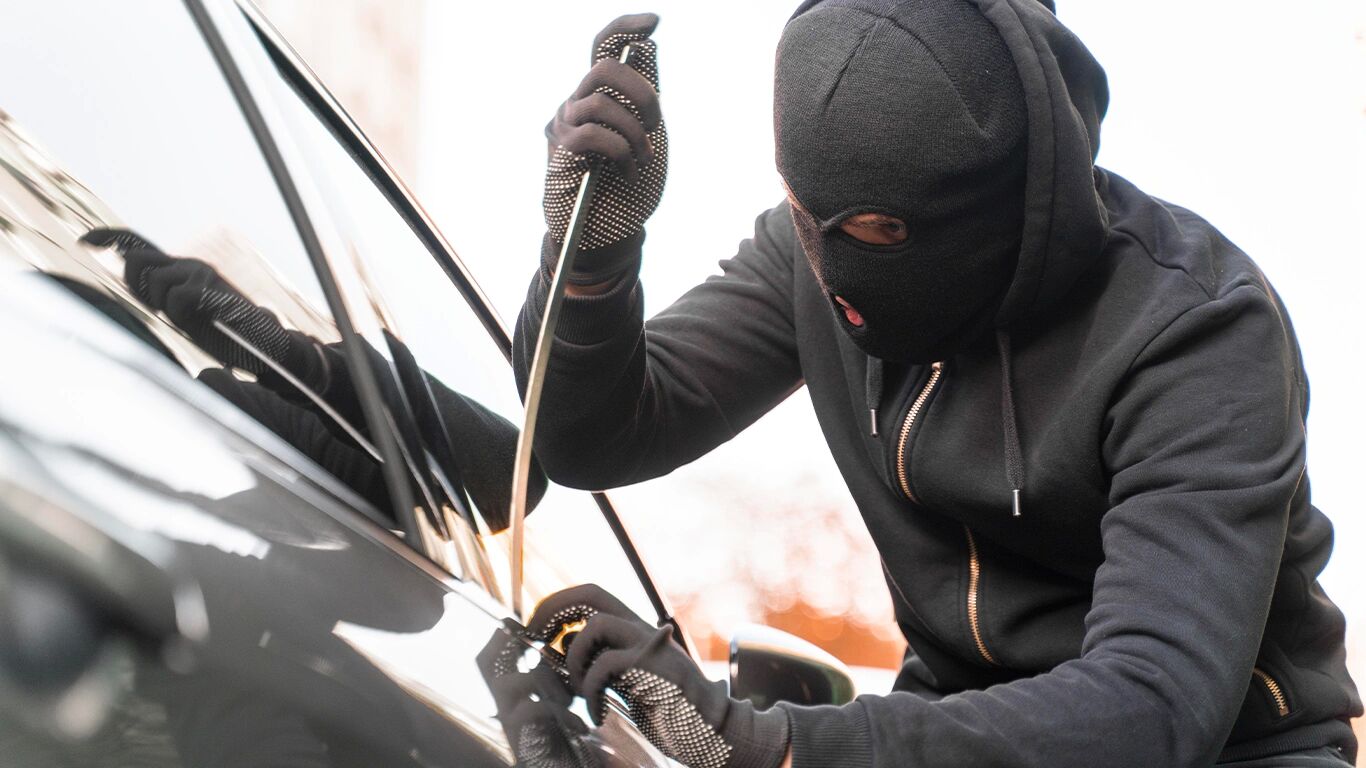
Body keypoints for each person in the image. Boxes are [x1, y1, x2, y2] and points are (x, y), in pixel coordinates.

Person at [509, 1, 1361, 767]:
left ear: (1002, 198)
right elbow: (595, 437)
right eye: (805, 211)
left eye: (877, 228)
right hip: (953, 721)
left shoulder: (1195, 328)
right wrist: (592, 261)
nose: (833, 268)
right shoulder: (807, 258)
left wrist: (772, 747)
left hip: (1229, 748)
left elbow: (1154, 704)